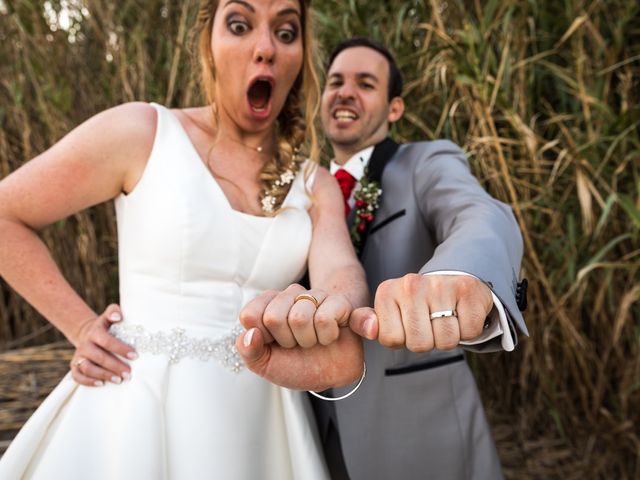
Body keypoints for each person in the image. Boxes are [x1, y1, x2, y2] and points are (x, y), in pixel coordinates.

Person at [0, 2, 370, 478]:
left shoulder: (314, 183)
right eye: (240, 26)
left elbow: (340, 271)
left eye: (285, 32)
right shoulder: (143, 133)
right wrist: (78, 326)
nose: (265, 48)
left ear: (300, 55)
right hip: (138, 407)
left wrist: (334, 311)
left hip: (265, 427)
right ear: (208, 45)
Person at [239, 37, 529, 479]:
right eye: (335, 81)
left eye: (365, 83)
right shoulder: (298, 188)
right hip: (308, 435)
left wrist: (461, 273)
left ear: (394, 108)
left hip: (422, 438)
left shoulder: (427, 162)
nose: (345, 91)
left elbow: (480, 214)